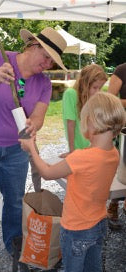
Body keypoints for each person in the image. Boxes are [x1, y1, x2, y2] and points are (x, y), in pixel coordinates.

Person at [0, 27, 67, 271]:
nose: (48, 64)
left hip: (16, 151)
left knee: (16, 202)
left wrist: (33, 125)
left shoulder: (43, 83)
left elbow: (39, 116)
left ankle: (14, 243)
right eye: (47, 56)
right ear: (33, 46)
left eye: (53, 61)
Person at [19, 92, 126, 272]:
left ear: (91, 122)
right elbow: (91, 166)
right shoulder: (113, 153)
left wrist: (31, 149)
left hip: (76, 230)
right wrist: (75, 159)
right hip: (99, 224)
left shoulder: (81, 158)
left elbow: (46, 173)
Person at [60, 64, 108, 158]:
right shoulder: (70, 94)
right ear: (84, 83)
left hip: (93, 147)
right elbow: (70, 123)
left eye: (100, 88)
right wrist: (71, 151)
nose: (98, 91)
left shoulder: (94, 97)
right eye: (95, 87)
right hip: (78, 148)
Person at [107, 63, 126, 230]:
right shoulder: (122, 70)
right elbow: (109, 98)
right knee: (122, 168)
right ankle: (113, 206)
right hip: (124, 127)